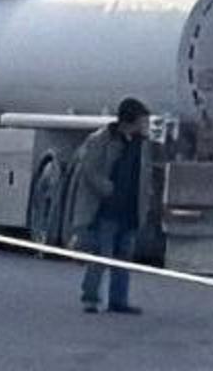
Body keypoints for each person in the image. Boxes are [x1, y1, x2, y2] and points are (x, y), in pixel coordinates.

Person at [72, 97, 152, 314]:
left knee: (124, 256)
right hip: (106, 209)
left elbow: (145, 176)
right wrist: (106, 188)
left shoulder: (141, 144)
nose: (146, 125)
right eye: (142, 120)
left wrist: (146, 200)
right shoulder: (101, 139)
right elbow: (89, 169)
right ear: (130, 121)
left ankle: (118, 300)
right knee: (100, 255)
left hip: (130, 208)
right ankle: (90, 297)